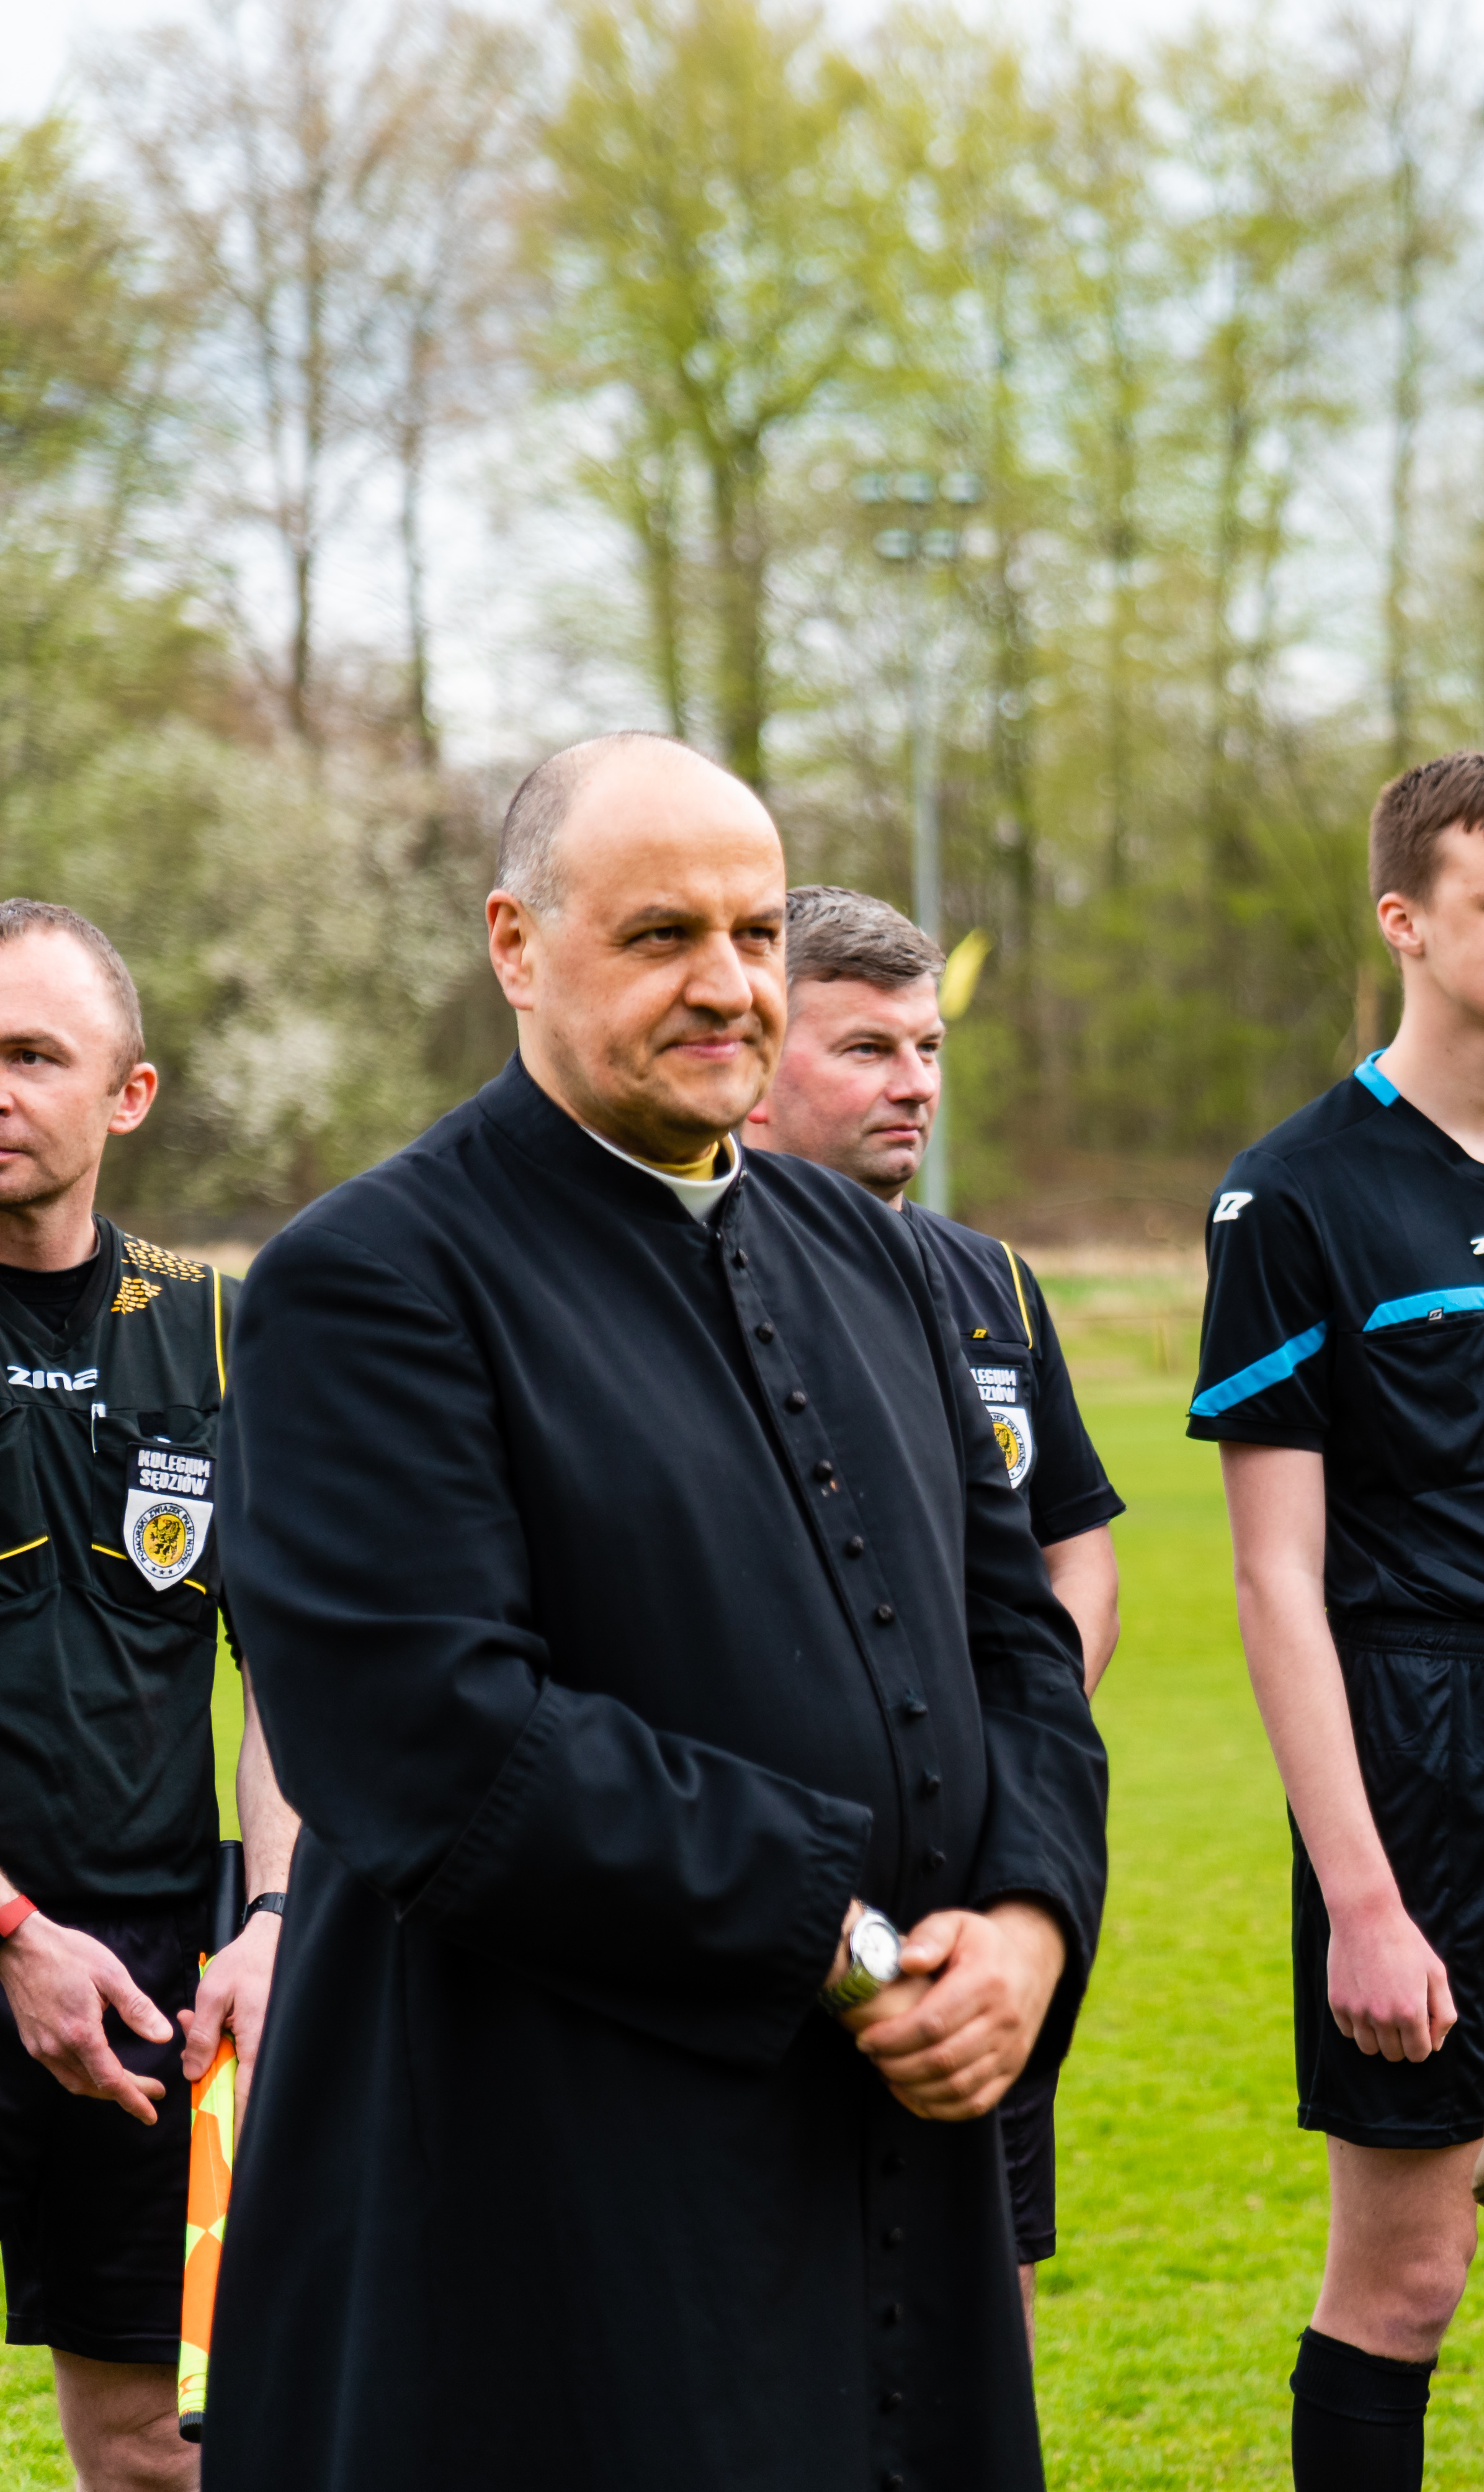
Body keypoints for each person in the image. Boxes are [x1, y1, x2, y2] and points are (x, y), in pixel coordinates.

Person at [208, 732, 1108, 2488]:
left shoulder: (891, 1264)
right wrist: (853, 1953)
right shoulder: (371, 1284)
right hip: (549, 2186)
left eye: (758, 934)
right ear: (517, 946)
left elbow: (1018, 1640)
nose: (728, 986)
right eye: (660, 937)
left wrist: (1026, 1924)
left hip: (892, 2144)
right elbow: (433, 1745)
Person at [1186, 753, 1484, 2492]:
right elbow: (1270, 1577)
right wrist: (1365, 1904)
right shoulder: (1292, 1194)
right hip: (1416, 1752)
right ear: (1407, 922)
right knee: (1411, 2272)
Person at [748, 882, 1129, 2331]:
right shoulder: (681, 1286)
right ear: (754, 1065)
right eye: (864, 1049)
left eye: (927, 1048)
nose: (912, 1083)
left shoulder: (991, 1284)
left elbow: (1073, 1547)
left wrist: (1013, 1729)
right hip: (763, 1881)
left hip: (976, 1881)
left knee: (983, 2289)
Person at [0, 903, 292, 2492]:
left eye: (32, 1054)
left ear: (128, 1094)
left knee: (156, 2448)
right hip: (21, 1938)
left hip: (146, 1976)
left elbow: (290, 1669)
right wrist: (10, 1932)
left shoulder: (221, 1327)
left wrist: (266, 1915)